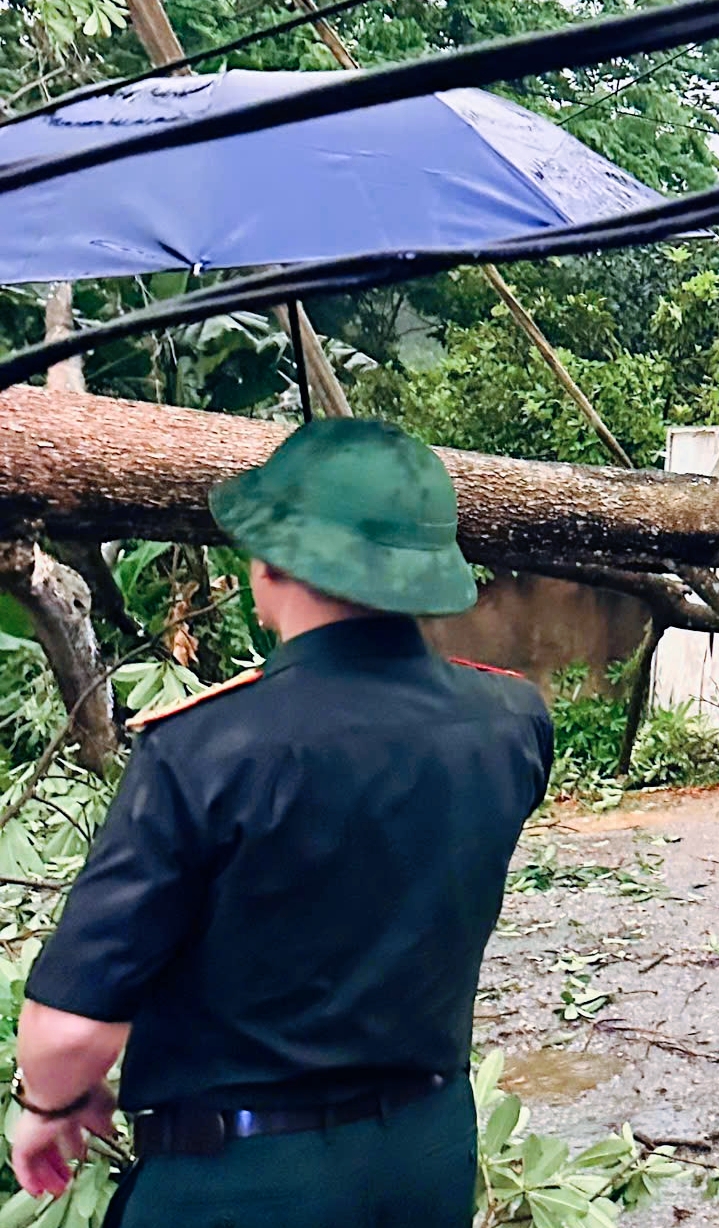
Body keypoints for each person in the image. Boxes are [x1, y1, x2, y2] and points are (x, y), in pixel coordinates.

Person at [10, 419, 553, 1227]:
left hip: (239, 1185)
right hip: (427, 1157)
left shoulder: (200, 750)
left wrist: (47, 1104)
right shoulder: (513, 720)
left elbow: (67, 1037)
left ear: (272, 564)